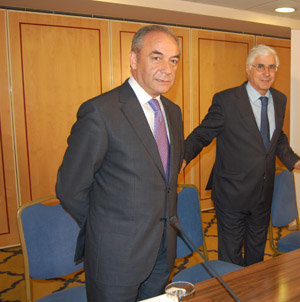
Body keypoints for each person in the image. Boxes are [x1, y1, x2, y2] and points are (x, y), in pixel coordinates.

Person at [56, 25, 184, 301]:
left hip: (163, 248)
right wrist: (107, 226)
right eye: (157, 57)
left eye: (174, 60)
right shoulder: (101, 112)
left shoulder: (173, 112)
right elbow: (70, 188)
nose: (168, 68)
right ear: (134, 60)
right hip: (116, 254)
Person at [181, 45, 300, 266]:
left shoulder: (280, 99)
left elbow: (277, 137)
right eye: (260, 67)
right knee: (231, 256)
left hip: (263, 193)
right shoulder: (227, 100)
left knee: (256, 253)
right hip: (231, 193)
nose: (267, 73)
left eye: (271, 67)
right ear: (248, 69)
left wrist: (294, 160)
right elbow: (202, 134)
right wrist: (183, 155)